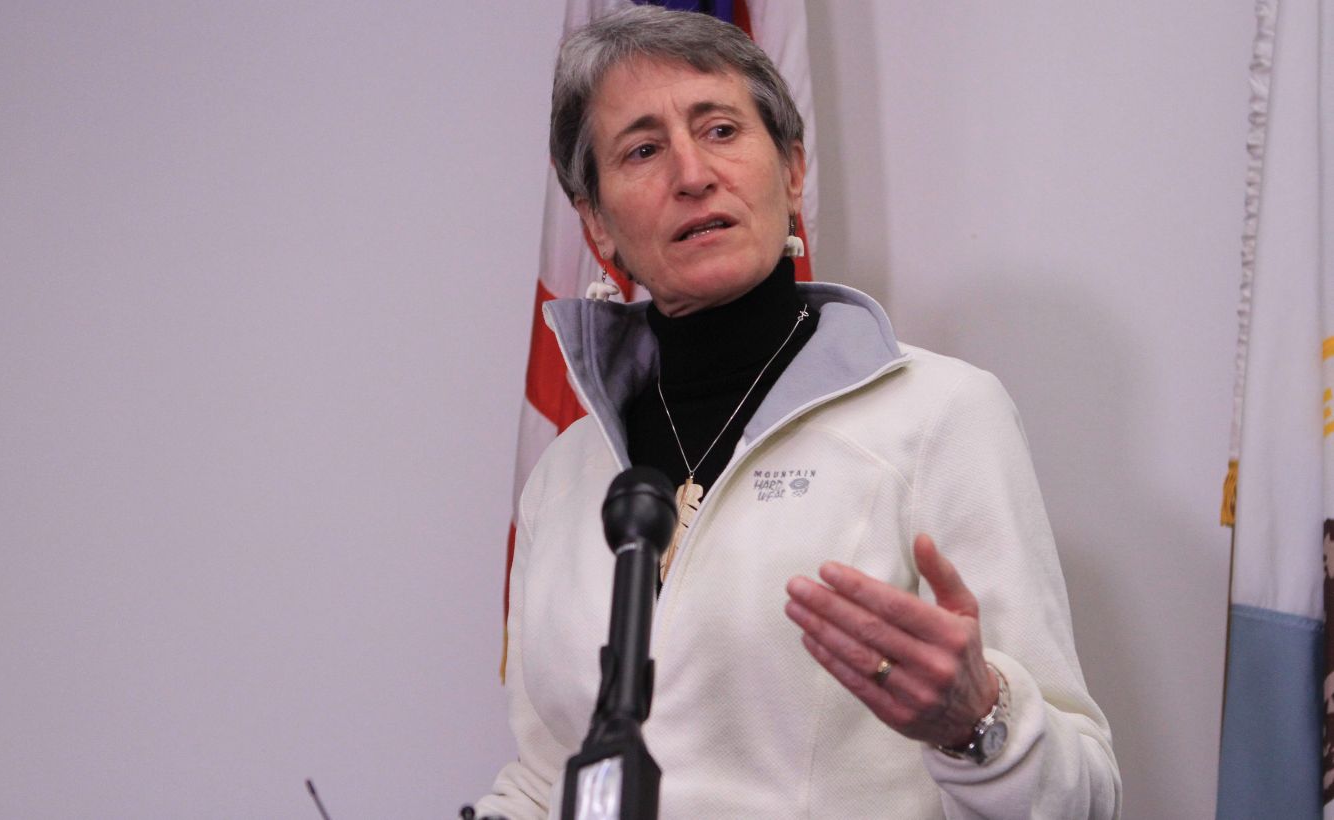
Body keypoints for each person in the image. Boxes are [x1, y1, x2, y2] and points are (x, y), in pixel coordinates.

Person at [474, 6, 1121, 819]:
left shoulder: (939, 414)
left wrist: (977, 725)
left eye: (719, 130)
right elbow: (546, 778)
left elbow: (1085, 798)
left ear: (791, 170)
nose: (691, 174)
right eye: (641, 149)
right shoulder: (562, 474)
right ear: (597, 224)